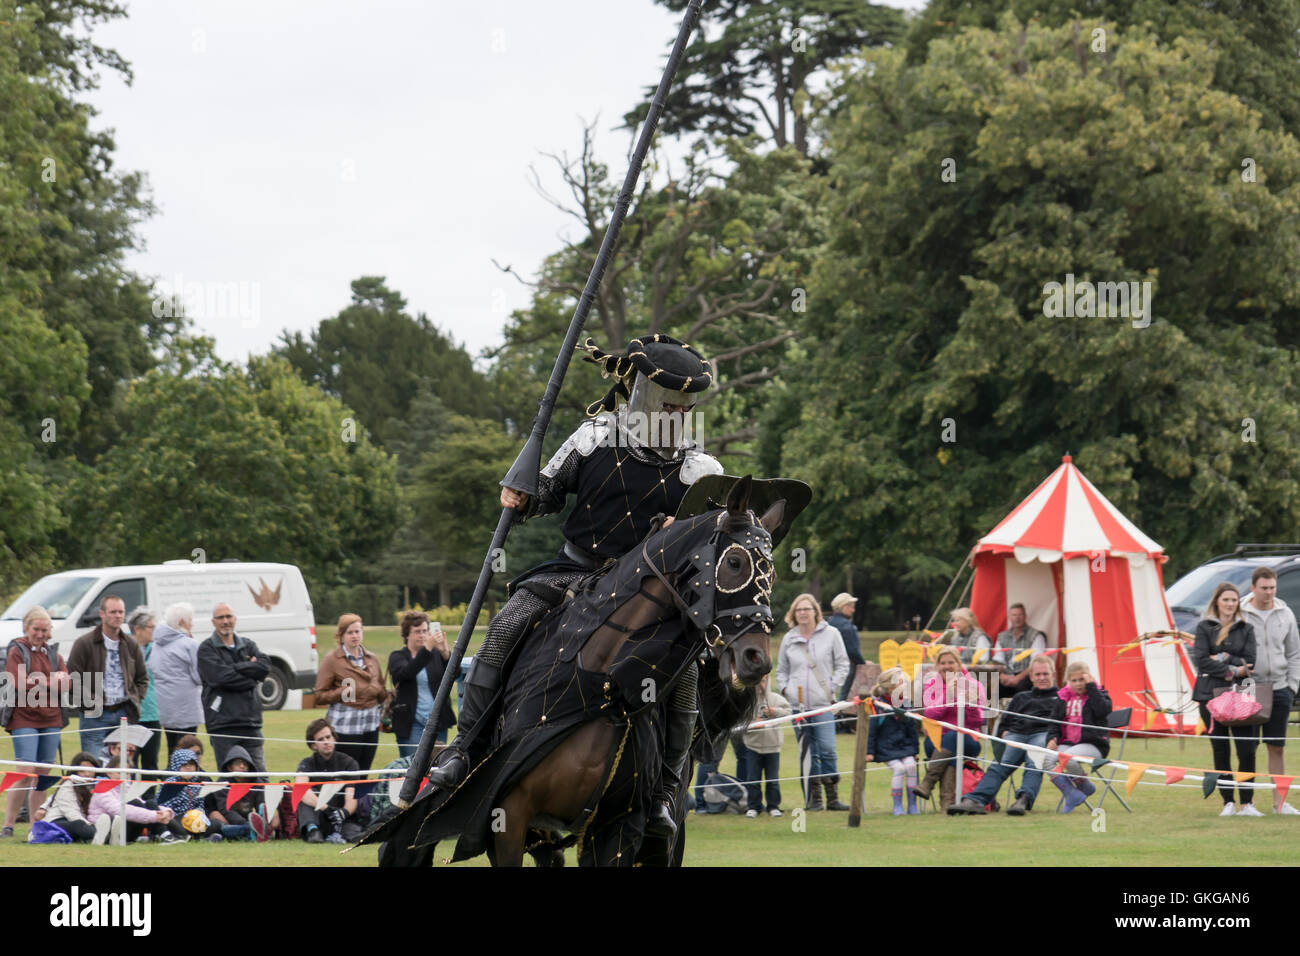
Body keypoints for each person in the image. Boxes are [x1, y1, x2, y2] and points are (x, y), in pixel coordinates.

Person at [426, 333, 723, 841]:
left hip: (647, 596)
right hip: (573, 574)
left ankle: (662, 792)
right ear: (643, 396)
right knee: (507, 625)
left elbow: (712, 549)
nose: (676, 412)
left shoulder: (702, 470)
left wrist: (688, 532)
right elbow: (547, 492)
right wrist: (522, 493)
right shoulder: (595, 436)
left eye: (684, 405)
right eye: (667, 403)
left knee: (688, 673)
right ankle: (464, 748)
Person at [949, 655, 1062, 815]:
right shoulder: (1021, 697)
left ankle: (1023, 800)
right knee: (998, 765)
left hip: (1043, 734)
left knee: (1034, 762)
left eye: (1045, 674)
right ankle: (975, 800)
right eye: (1037, 674)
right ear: (1031, 677)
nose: (1042, 677)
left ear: (1053, 674)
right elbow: (1004, 721)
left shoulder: (1062, 697)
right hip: (1016, 735)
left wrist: (1054, 738)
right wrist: (1004, 732)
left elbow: (1064, 724)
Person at [1191, 582, 1260, 816]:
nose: (1230, 604)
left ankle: (1247, 803)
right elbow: (1201, 659)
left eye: (1234, 600)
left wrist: (1222, 657)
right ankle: (1228, 802)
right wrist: (1232, 668)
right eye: (1226, 600)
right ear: (1217, 602)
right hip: (1209, 695)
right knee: (1220, 750)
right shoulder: (1204, 627)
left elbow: (1250, 662)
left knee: (1247, 750)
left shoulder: (1246, 629)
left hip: (1241, 695)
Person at [777, 592, 851, 811]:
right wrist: (786, 689)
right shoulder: (789, 638)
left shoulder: (832, 634)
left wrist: (832, 685)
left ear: (815, 612)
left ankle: (833, 798)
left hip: (823, 704)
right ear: (793, 613)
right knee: (807, 752)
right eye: (798, 610)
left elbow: (843, 664)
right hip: (798, 706)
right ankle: (813, 799)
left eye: (807, 609)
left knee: (827, 749)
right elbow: (781, 670)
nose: (802, 613)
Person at [2, 607, 71, 838]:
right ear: (26, 628)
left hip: (51, 718)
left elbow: (68, 683)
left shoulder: (54, 655)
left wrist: (40, 681)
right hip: (24, 717)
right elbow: (20, 684)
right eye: (36, 629)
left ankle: (35, 826)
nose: (40, 634)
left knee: (43, 773)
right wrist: (52, 681)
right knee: (24, 771)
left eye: (45, 629)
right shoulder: (16, 651)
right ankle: (8, 825)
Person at [1239, 567, 1300, 814]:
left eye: (1272, 587)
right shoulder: (1240, 614)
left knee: (1277, 747)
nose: (1268, 592)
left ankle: (1280, 802)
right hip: (1250, 689)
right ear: (1253, 587)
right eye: (1264, 588)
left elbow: (1294, 652)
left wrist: (1293, 685)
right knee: (1248, 747)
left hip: (1280, 689)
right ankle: (1247, 803)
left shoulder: (1285, 614)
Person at [66, 594, 149, 754]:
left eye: (121, 612)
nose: (117, 616)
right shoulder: (84, 643)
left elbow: (142, 679)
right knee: (94, 763)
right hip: (94, 714)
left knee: (122, 766)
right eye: (113, 612)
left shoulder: (131, 644)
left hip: (124, 712)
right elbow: (72, 679)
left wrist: (134, 699)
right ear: (102, 614)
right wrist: (89, 702)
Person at [197, 602, 269, 772]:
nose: (225, 621)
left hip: (251, 723)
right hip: (223, 725)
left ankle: (260, 801)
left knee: (259, 777)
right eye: (220, 617)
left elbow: (265, 666)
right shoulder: (206, 649)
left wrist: (237, 668)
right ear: (213, 622)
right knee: (229, 779)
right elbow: (220, 678)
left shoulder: (248, 644)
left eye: (228, 616)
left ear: (235, 619)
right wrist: (250, 674)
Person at [913, 647, 986, 811]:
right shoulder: (931, 685)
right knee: (951, 744)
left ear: (959, 664)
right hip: (935, 741)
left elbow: (978, 721)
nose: (947, 666)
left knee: (953, 737)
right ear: (937, 666)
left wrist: (970, 704)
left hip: (969, 740)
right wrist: (948, 696)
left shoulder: (974, 685)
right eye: (943, 663)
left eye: (951, 662)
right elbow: (930, 715)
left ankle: (928, 784)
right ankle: (948, 804)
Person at [314, 614, 387, 771]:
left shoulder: (372, 658)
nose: (355, 636)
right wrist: (342, 692)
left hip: (370, 724)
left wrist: (381, 692)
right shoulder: (332, 659)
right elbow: (319, 696)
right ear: (341, 635)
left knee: (364, 772)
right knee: (346, 774)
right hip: (345, 726)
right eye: (350, 632)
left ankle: (361, 797)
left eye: (358, 631)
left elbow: (380, 688)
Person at [389, 613, 457, 758]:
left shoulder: (435, 655)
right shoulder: (397, 656)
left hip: (437, 722)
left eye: (425, 631)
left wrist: (445, 652)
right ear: (407, 634)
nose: (422, 635)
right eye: (417, 631)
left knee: (435, 766)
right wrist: (428, 648)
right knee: (413, 766)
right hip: (412, 725)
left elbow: (454, 675)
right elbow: (407, 672)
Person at [1050, 661, 1113, 812]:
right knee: (1046, 759)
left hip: (1094, 744)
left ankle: (1082, 785)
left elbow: (1103, 711)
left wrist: (1091, 688)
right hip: (1068, 743)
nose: (1078, 684)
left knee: (1067, 757)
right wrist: (1052, 739)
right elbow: (1053, 722)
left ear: (1089, 678)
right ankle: (1072, 794)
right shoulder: (1062, 697)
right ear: (1068, 681)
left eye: (1082, 679)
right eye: (1074, 680)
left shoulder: (1099, 694)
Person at [296, 718, 364, 844]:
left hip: (341, 815)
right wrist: (326, 808)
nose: (326, 742)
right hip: (317, 814)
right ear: (313, 745)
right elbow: (301, 789)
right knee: (305, 795)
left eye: (328, 737)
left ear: (334, 738)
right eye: (321, 739)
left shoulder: (349, 763)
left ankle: (337, 832)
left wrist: (343, 813)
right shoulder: (306, 763)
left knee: (355, 834)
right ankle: (313, 831)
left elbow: (352, 797)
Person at [865, 667, 921, 815]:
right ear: (890, 687)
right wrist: (869, 752)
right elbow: (871, 731)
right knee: (899, 769)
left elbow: (912, 730)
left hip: (905, 746)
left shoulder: (906, 705)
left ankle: (912, 805)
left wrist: (915, 751)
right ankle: (897, 806)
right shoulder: (878, 706)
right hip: (885, 748)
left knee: (910, 766)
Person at [150, 602, 204, 753]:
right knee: (187, 750)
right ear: (182, 622)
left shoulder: (156, 644)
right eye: (190, 620)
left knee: (171, 748)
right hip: (186, 708)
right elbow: (199, 676)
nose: (192, 624)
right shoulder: (190, 644)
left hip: (164, 707)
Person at [738, 674, 790, 818]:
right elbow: (739, 722)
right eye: (757, 681)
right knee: (753, 779)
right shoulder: (747, 701)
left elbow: (788, 712)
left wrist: (775, 712)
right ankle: (754, 807)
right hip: (752, 746)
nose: (761, 684)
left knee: (772, 779)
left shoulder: (776, 698)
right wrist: (752, 723)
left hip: (773, 746)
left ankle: (773, 806)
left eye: (764, 681)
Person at [204, 744, 272, 841]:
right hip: (227, 820)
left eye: (245, 763)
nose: (242, 766)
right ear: (230, 767)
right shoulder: (222, 784)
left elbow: (260, 805)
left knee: (270, 818)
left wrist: (262, 820)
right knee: (221, 825)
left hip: (248, 819)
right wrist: (247, 824)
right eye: (238, 763)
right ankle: (254, 832)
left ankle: (257, 831)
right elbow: (226, 810)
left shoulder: (257, 783)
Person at [36, 752, 108, 844]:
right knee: (78, 824)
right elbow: (70, 812)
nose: (87, 774)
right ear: (75, 771)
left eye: (90, 770)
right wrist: (90, 826)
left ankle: (105, 836)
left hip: (81, 822)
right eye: (82, 771)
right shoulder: (68, 785)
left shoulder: (95, 786)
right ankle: (100, 836)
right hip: (57, 822)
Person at [126, 607, 162, 773]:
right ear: (137, 629)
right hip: (131, 714)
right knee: (129, 762)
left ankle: (150, 798)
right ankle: (131, 799)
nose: (154, 631)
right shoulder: (124, 649)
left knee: (150, 763)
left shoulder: (157, 650)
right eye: (151, 627)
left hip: (153, 713)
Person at [158, 747, 219, 841]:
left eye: (191, 764)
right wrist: (187, 816)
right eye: (184, 765)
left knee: (215, 823)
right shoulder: (170, 783)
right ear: (176, 766)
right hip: (175, 819)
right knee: (172, 822)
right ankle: (196, 838)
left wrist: (198, 815)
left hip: (194, 820)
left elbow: (200, 805)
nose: (188, 767)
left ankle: (196, 837)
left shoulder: (197, 784)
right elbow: (165, 807)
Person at [994, 603, 1047, 693]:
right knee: (991, 686)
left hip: (1026, 675)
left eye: (1020, 615)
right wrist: (1001, 676)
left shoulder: (1036, 636)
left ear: (1025, 616)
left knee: (1023, 686)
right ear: (1009, 617)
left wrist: (1017, 678)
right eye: (1014, 615)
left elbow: (1036, 662)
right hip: (1006, 675)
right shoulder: (1002, 636)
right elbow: (997, 661)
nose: (1017, 618)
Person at [827, 592, 866, 704]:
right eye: (852, 607)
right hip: (848, 665)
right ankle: (840, 718)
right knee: (845, 695)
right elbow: (852, 651)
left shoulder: (828, 623)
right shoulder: (846, 626)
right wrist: (863, 664)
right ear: (844, 607)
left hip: (830, 665)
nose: (853, 610)